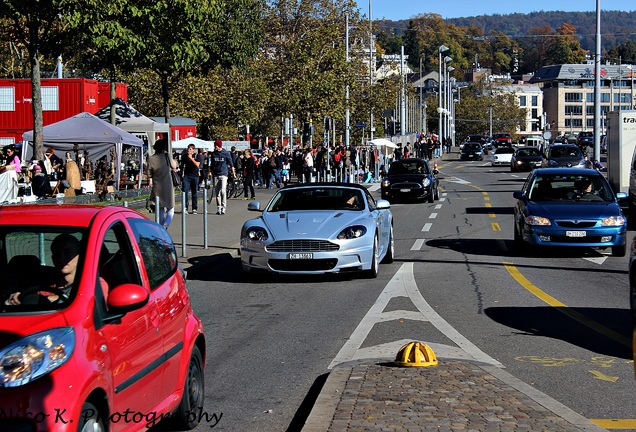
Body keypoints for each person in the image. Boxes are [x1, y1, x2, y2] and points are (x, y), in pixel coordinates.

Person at [5, 233, 81, 305]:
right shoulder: (41, 283)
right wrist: (17, 298)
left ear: (79, 255)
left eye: (67, 252)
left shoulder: (86, 286)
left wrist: (50, 299)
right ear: (53, 258)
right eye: (57, 254)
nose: (62, 258)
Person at [148, 138, 177, 228]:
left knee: (160, 207)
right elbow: (174, 166)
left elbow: (149, 173)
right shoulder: (166, 156)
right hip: (168, 185)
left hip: (157, 185)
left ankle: (160, 226)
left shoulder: (151, 159)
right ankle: (166, 224)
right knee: (171, 208)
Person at [211, 139, 236, 215]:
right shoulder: (213, 154)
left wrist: (233, 173)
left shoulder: (225, 153)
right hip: (216, 174)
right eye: (215, 146)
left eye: (216, 146)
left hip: (223, 174)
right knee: (217, 192)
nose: (215, 147)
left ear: (219, 146)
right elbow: (211, 164)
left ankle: (223, 207)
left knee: (223, 191)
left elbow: (231, 164)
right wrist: (210, 173)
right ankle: (219, 207)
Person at [181, 143, 202, 214]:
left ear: (193, 150)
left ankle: (194, 208)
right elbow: (182, 165)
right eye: (188, 149)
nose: (189, 151)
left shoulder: (197, 156)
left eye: (190, 149)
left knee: (194, 192)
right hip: (187, 175)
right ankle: (185, 207)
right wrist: (181, 175)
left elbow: (197, 164)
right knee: (185, 191)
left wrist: (191, 158)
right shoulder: (184, 156)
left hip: (195, 176)